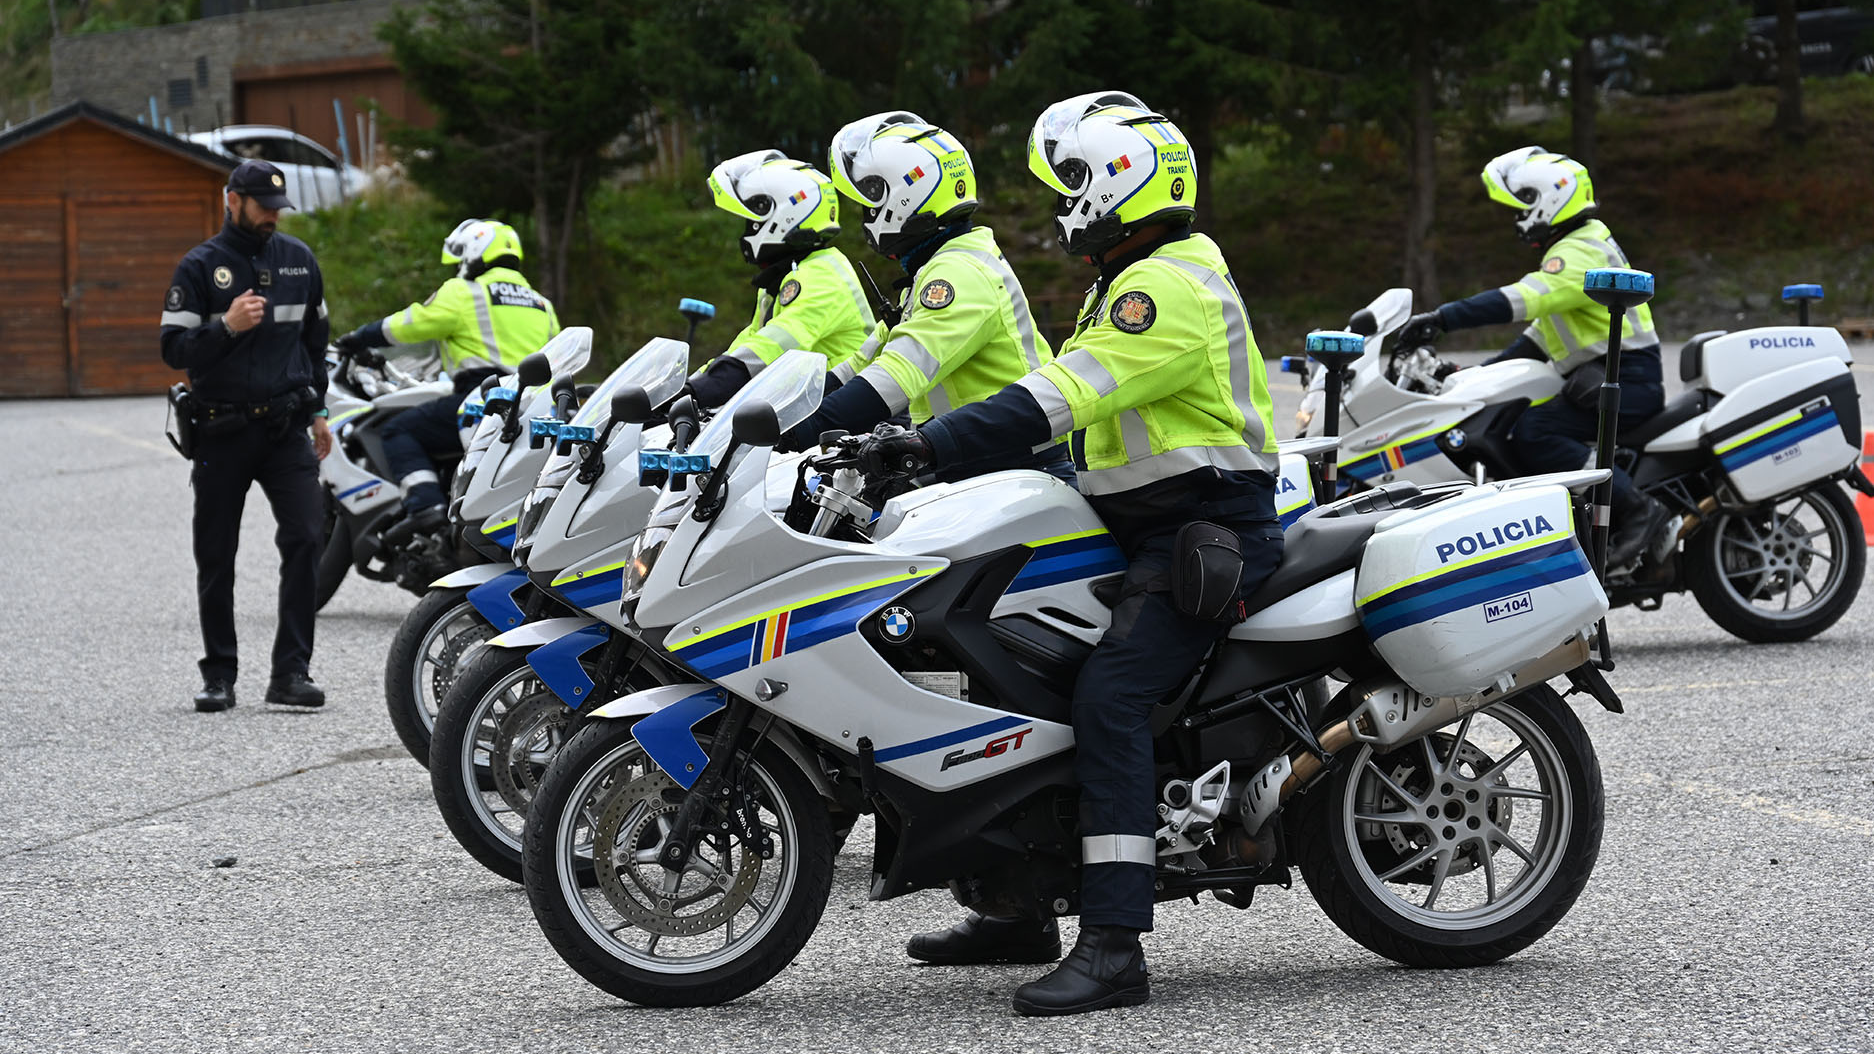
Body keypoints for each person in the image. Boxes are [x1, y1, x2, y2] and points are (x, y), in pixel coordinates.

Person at [857, 92, 1284, 1016]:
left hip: (1201, 531)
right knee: (1008, 672)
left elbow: (1061, 393)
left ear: (1122, 182)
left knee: (1110, 698)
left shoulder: (1163, 286)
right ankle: (1016, 904)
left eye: (1076, 181)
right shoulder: (1138, 271)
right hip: (1134, 523)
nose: (1064, 202)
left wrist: (928, 443)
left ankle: (1115, 945)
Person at [1395, 145, 1670, 568]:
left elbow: (1524, 300)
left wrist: (1442, 318)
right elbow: (1537, 340)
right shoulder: (1583, 244)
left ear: (1548, 199)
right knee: (1511, 414)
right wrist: (1471, 379)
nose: (1517, 217)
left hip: (1626, 379)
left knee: (1534, 431)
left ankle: (1635, 509)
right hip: (1600, 376)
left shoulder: (1580, 252)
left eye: (1521, 205)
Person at [777, 112, 1069, 481]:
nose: (866, 215)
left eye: (871, 200)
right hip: (968, 464)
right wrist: (781, 409)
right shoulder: (934, 271)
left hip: (1013, 468)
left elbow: (894, 378)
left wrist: (795, 433)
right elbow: (860, 366)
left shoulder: (958, 275)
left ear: (907, 196)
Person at [159, 160, 333, 713]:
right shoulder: (200, 266)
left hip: (285, 429)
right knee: (216, 554)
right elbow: (173, 350)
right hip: (221, 430)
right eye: (262, 206)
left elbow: (315, 344)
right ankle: (219, 675)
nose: (271, 217)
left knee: (307, 537)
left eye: (278, 208)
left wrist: (320, 411)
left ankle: (291, 673)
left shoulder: (300, 262)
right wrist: (227, 326)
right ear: (231, 200)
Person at [334, 219, 559, 529]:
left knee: (399, 431)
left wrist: (361, 336)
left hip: (481, 398)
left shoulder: (466, 291)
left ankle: (426, 506)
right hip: (533, 409)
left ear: (475, 253)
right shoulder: (542, 304)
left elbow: (412, 324)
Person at [684, 151, 875, 407]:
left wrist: (699, 392)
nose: (745, 233)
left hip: (854, 422)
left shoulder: (822, 276)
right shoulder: (785, 278)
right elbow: (747, 346)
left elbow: (772, 348)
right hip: (816, 415)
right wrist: (689, 386)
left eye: (751, 222)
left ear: (782, 218)